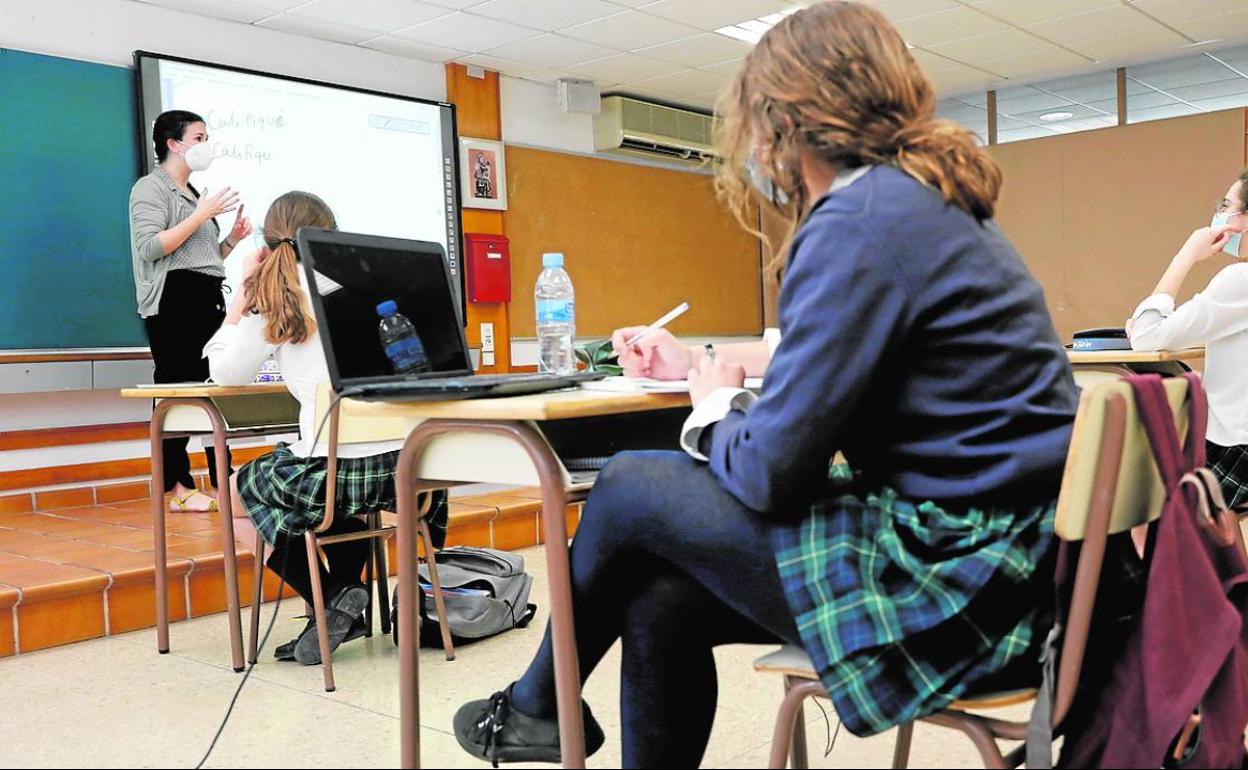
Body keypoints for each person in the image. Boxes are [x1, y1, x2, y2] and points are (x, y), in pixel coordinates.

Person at [451, 2, 1079, 767]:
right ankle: (536, 709)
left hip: (961, 589)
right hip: (1034, 579)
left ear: (781, 122)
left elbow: (774, 475)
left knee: (626, 484)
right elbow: (846, 364)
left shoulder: (856, 219)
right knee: (661, 602)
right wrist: (707, 376)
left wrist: (714, 406)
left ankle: (534, 707)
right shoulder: (924, 204)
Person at [204, 191, 446, 665]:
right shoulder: (376, 292)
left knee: (237, 490)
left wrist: (237, 310)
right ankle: (339, 605)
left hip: (337, 472)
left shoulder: (275, 298)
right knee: (335, 499)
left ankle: (333, 599)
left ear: (266, 244)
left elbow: (227, 376)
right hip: (410, 469)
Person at [129, 110, 250, 512]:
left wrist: (231, 240)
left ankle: (223, 481)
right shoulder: (152, 188)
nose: (205, 144)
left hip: (206, 294)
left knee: (215, 388)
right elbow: (150, 247)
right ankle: (177, 487)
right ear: (173, 144)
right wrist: (201, 215)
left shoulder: (194, 192)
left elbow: (202, 256)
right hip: (173, 300)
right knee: (177, 389)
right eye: (199, 137)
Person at [1127, 170, 1248, 509]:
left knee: (1126, 487)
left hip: (1232, 449)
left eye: (1226, 205)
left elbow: (1147, 337)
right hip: (1236, 447)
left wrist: (1186, 254)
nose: (1219, 214)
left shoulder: (1240, 279)